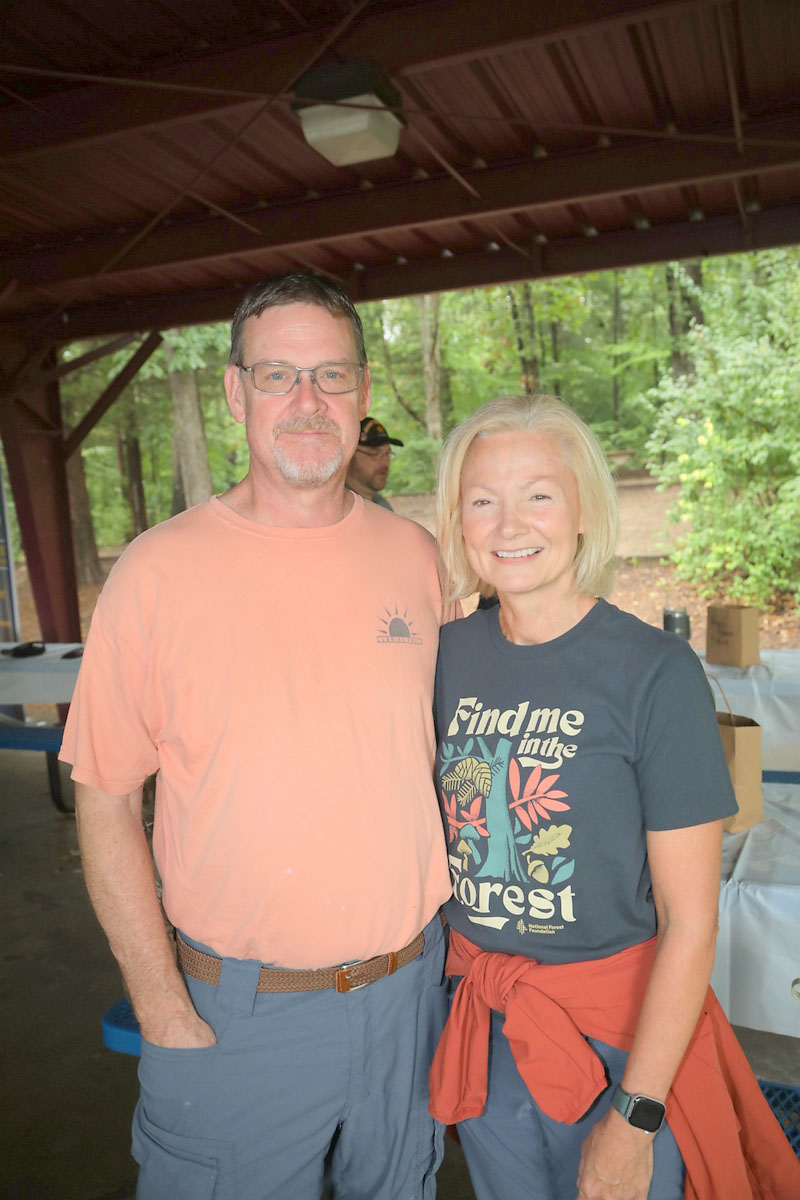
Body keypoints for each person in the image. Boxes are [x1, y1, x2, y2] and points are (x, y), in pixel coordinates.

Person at [59, 273, 455, 1200]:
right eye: (279, 375)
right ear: (237, 393)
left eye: (331, 375)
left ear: (362, 392)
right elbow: (104, 800)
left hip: (409, 1000)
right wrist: (163, 1009)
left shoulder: (415, 556)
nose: (308, 401)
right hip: (238, 1018)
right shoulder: (157, 573)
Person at [428, 394, 800, 1200]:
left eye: (538, 494)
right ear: (458, 522)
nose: (508, 523)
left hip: (619, 1040)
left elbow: (691, 920)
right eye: (482, 500)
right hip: (486, 1025)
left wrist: (635, 1115)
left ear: (585, 511)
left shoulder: (653, 672)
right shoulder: (442, 659)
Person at [345, 416, 403, 510]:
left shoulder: (382, 505)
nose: (386, 463)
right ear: (349, 455)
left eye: (387, 453)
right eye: (375, 454)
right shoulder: (334, 508)